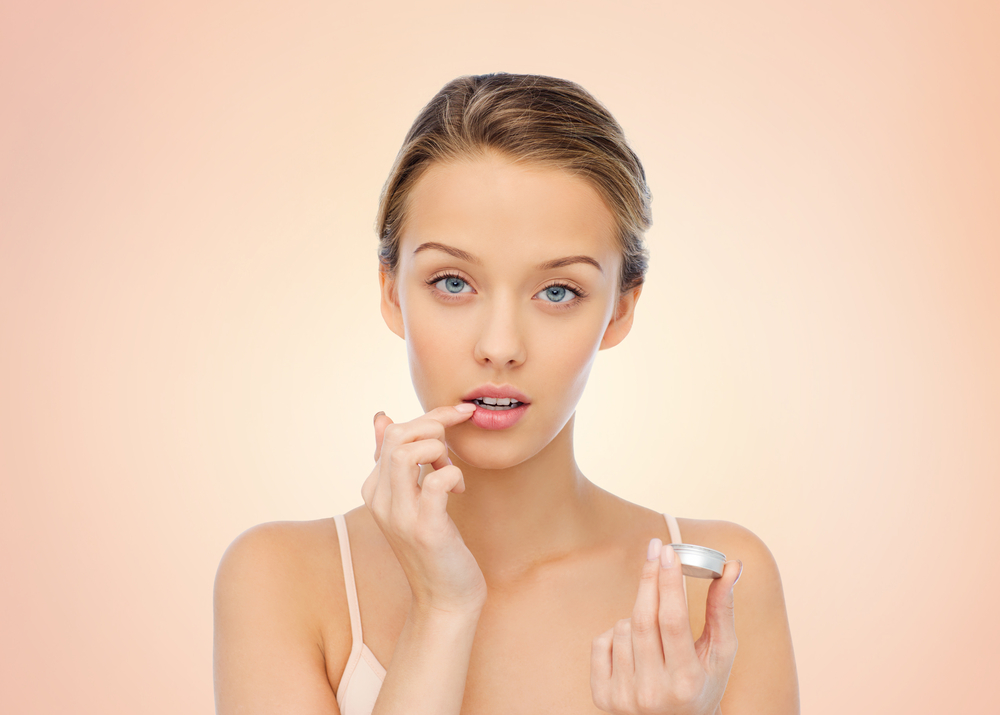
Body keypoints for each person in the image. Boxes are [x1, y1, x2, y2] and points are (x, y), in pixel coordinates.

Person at [213, 73, 799, 715]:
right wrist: (442, 608)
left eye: (557, 292)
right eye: (453, 282)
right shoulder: (280, 580)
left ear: (620, 311)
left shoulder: (714, 586)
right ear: (390, 291)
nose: (500, 345)